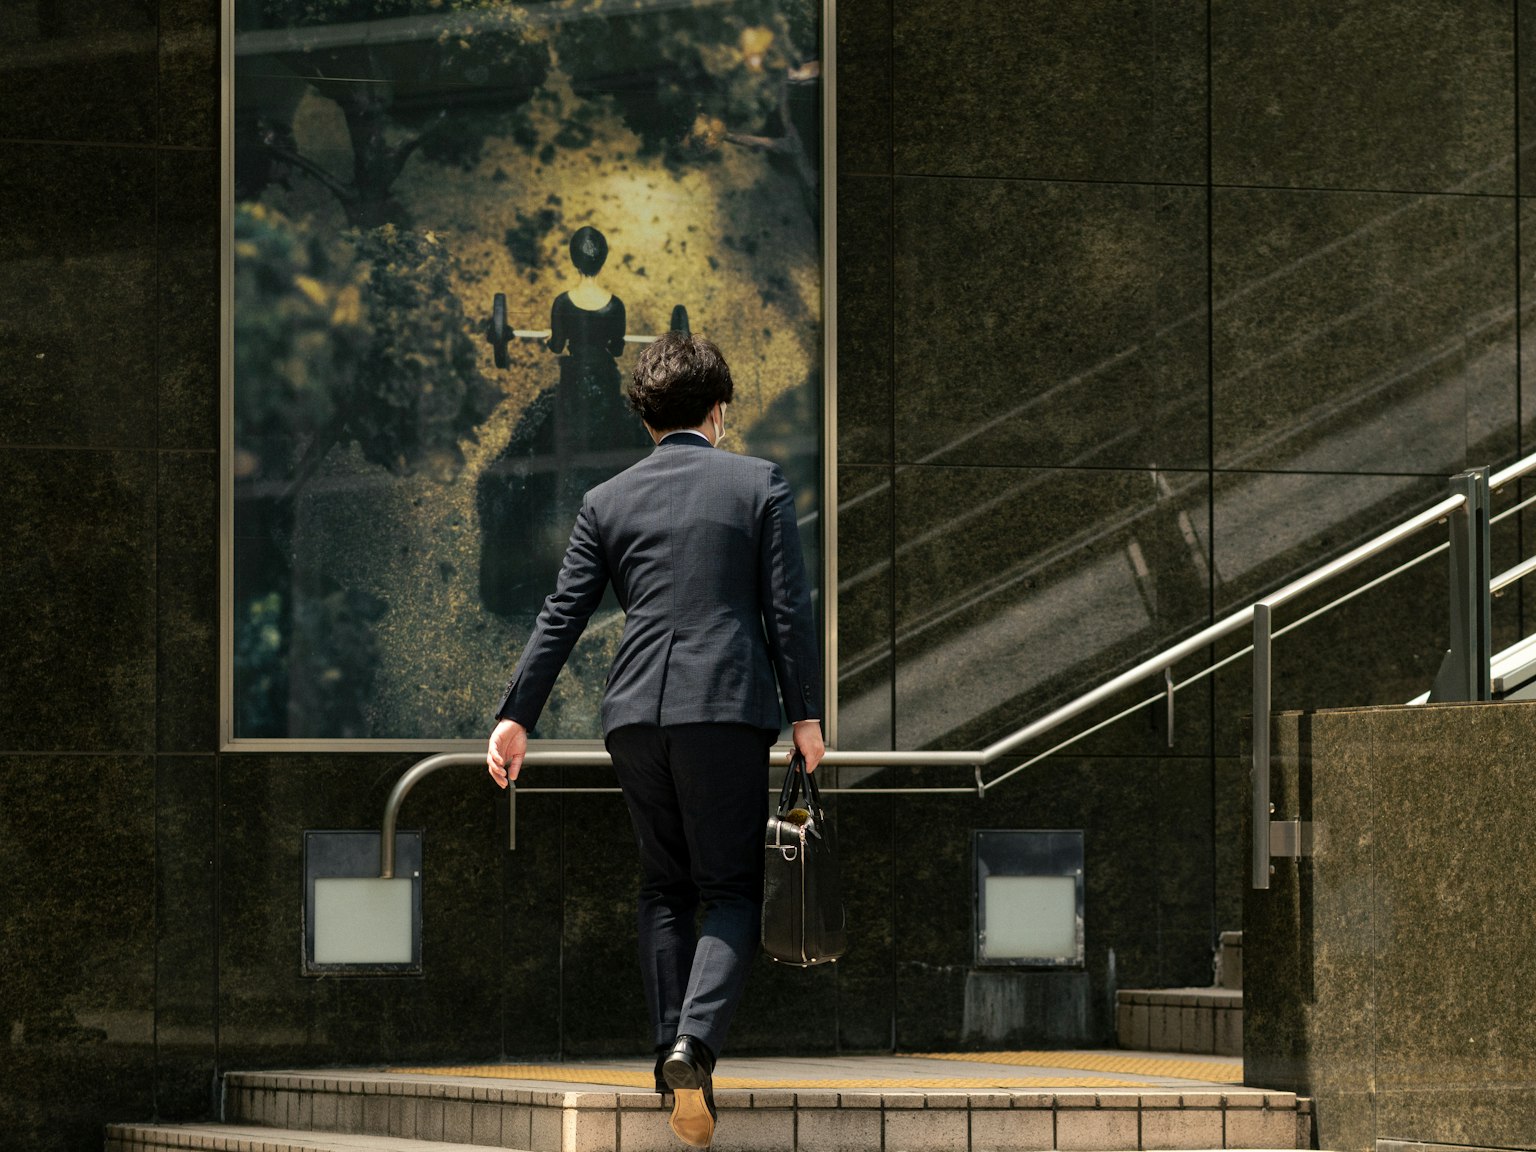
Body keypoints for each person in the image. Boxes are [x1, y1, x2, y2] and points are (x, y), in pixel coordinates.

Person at [486, 331, 825, 1150]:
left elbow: (562, 612)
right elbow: (787, 609)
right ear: (718, 411)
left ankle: (673, 1057)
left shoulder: (608, 499)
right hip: (724, 708)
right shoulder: (759, 484)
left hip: (635, 715)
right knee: (733, 890)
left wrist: (516, 715)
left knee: (664, 888)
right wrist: (806, 716)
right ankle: (693, 1046)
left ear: (646, 418)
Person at [477, 226, 652, 620]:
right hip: (603, 377)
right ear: (603, 260)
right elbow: (617, 347)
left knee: (555, 438)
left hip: (573, 380)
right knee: (618, 436)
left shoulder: (563, 302)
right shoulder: (616, 305)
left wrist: (553, 340)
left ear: (574, 259)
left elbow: (557, 344)